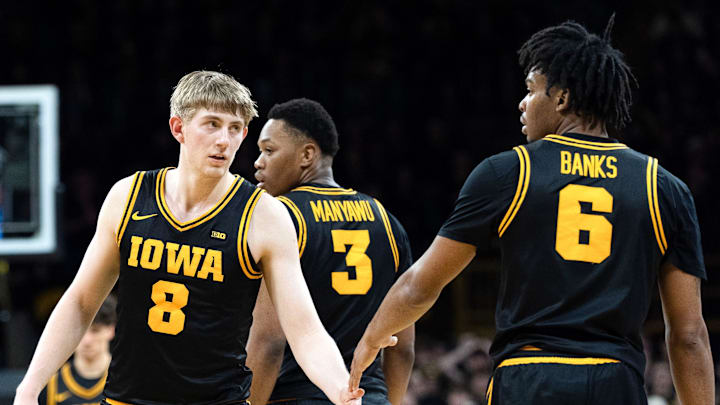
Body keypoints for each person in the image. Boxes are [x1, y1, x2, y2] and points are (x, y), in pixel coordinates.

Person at [349, 16, 714, 405]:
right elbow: (689, 335)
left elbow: (421, 284)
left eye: (531, 90)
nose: (522, 103)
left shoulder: (509, 172)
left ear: (561, 98)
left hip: (527, 377)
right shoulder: (664, 188)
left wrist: (371, 338)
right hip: (616, 382)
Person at [14, 71, 363, 405]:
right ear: (178, 127)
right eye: (212, 124)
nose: (224, 140)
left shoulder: (264, 216)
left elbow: (304, 329)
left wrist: (338, 387)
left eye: (235, 128)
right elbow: (81, 302)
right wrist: (30, 387)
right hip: (127, 399)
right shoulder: (129, 196)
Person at [246, 98, 414, 405]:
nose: (258, 162)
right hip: (369, 397)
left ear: (307, 154)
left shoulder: (280, 216)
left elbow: (269, 343)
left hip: (297, 396)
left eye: (269, 150)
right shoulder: (385, 220)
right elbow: (402, 349)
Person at [39, 295, 117, 405]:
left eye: (95, 331)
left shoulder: (126, 380)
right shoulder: (50, 384)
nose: (87, 340)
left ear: (111, 330)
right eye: (80, 331)